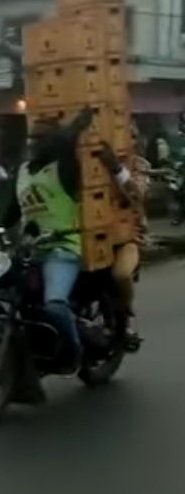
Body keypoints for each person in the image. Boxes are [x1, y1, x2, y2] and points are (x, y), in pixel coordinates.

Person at [1, 106, 94, 403]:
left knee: (54, 305)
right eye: (31, 139)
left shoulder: (64, 168)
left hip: (62, 249)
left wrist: (78, 123)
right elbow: (14, 209)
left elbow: (65, 143)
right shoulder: (23, 173)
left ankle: (73, 350)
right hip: (31, 251)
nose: (34, 144)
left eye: (41, 139)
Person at [98, 126, 151, 351]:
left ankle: (123, 320)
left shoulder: (139, 165)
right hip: (91, 235)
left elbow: (136, 193)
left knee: (120, 274)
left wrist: (116, 169)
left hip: (128, 237)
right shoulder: (89, 160)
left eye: (132, 137)